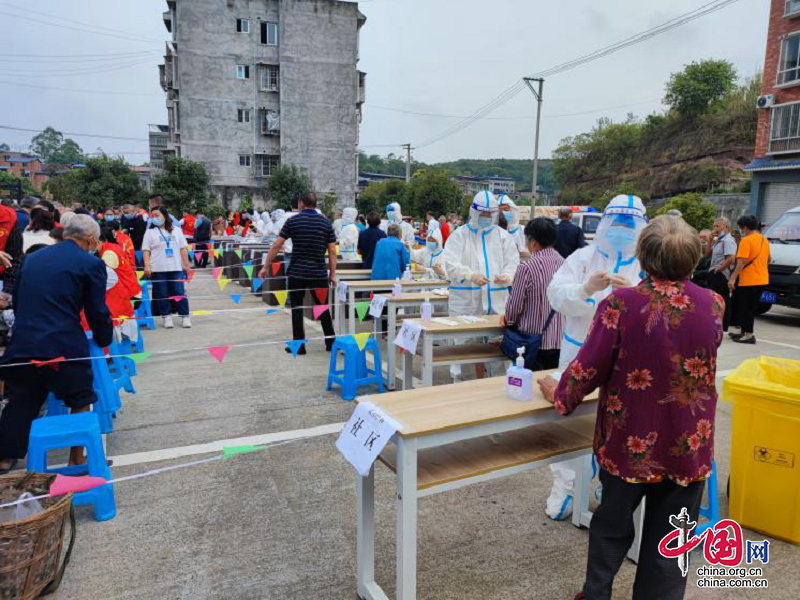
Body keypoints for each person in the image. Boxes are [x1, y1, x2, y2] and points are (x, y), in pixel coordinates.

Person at [538, 216, 723, 600]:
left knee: (610, 530)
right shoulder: (714, 304)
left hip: (630, 442)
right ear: (693, 259)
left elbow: (588, 368)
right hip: (688, 442)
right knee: (673, 540)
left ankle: (597, 595)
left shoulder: (622, 304)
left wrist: (559, 392)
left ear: (642, 255)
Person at [545, 194, 648, 520]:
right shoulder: (582, 258)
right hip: (580, 350)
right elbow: (556, 297)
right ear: (604, 224)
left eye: (629, 226)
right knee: (570, 420)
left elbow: (657, 317)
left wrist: (632, 295)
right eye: (617, 224)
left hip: (628, 361)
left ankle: (610, 486)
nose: (622, 232)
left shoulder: (646, 266)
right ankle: (566, 488)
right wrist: (585, 289)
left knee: (619, 424)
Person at [0, 215, 113, 472]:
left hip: (24, 341)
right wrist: (103, 339)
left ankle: (5, 458)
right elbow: (97, 310)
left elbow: (17, 300)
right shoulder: (91, 263)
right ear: (92, 240)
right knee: (81, 398)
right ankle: (76, 457)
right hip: (64, 344)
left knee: (20, 401)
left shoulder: (32, 259)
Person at [442, 190, 519, 380]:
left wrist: (507, 276)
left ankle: (495, 386)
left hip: (497, 301)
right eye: (482, 213)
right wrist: (469, 275)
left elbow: (513, 262)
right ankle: (460, 384)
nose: (486, 217)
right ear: (474, 212)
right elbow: (450, 264)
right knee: (462, 346)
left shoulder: (502, 236)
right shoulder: (459, 235)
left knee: (498, 346)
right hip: (466, 301)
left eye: (489, 213)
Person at [259, 193, 336, 354]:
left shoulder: (292, 221)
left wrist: (266, 266)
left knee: (297, 308)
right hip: (319, 274)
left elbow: (276, 245)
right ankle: (331, 343)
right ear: (315, 204)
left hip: (297, 274)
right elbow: (332, 251)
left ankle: (300, 346)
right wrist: (333, 274)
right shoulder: (326, 223)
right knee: (323, 307)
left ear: (301, 203)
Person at [504, 218, 565, 370]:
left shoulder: (526, 267)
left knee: (529, 388)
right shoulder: (565, 263)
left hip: (533, 342)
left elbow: (514, 306)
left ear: (533, 242)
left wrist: (508, 320)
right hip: (561, 340)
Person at [142, 206, 192, 329]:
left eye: (157, 215)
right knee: (162, 294)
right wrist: (147, 265)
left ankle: (185, 316)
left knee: (179, 292)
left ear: (165, 215)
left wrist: (186, 265)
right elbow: (146, 250)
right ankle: (166, 317)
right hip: (158, 269)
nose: (155, 218)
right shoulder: (150, 232)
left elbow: (183, 248)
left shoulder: (177, 230)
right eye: (152, 216)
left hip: (176, 268)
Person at [728, 214, 770, 344]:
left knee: (746, 308)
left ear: (744, 227)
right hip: (762, 278)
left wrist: (732, 279)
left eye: (741, 227)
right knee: (747, 306)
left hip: (748, 280)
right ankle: (743, 332)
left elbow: (741, 262)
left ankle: (749, 335)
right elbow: (768, 259)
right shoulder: (764, 240)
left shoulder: (746, 240)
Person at [707, 217, 736, 332]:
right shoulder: (719, 240)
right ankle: (715, 323)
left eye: (718, 226)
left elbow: (731, 258)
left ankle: (723, 326)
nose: (715, 229)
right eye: (714, 226)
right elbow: (707, 254)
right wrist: (710, 240)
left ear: (726, 228)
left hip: (721, 274)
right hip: (714, 273)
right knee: (714, 300)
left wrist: (718, 270)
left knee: (722, 300)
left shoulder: (728, 240)